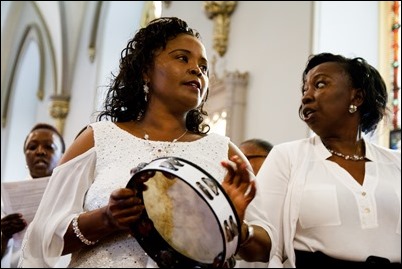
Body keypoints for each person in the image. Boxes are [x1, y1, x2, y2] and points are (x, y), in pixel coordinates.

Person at [19, 17, 256, 268]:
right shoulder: (98, 139)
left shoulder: (223, 151)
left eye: (204, 67)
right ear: (145, 70)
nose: (197, 70)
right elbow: (41, 239)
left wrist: (234, 226)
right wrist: (106, 219)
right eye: (182, 58)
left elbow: (267, 246)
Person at [236, 52, 401, 268]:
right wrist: (238, 224)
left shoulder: (396, 163)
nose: (306, 96)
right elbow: (263, 247)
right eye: (305, 89)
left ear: (356, 97)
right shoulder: (287, 157)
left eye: (320, 85)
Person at [1, 123, 65, 268]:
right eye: (32, 147)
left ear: (62, 157)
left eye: (49, 147)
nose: (40, 152)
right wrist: (4, 235)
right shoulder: (7, 199)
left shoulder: (70, 192)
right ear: (25, 155)